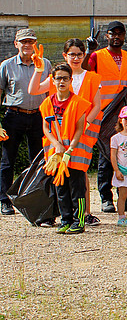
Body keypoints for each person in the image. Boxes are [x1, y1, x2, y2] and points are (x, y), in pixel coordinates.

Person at [28, 39, 102, 226]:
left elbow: (97, 105)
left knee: (79, 173)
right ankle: (64, 216)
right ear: (65, 55)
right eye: (72, 54)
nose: (75, 58)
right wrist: (38, 71)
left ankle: (83, 215)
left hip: (81, 132)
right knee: (60, 176)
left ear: (84, 55)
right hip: (58, 136)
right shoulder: (58, 76)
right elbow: (34, 90)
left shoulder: (92, 78)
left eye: (79, 54)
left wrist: (85, 124)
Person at [82, 21, 127, 213]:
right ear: (106, 36)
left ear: (124, 36)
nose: (116, 36)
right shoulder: (97, 56)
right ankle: (106, 198)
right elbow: (83, 72)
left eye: (120, 33)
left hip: (124, 113)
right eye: (112, 33)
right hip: (104, 112)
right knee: (106, 155)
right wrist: (88, 51)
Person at [0, 28, 51, 216]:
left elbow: (49, 94)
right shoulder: (6, 65)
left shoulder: (45, 64)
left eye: (31, 41)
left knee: (38, 160)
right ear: (16, 44)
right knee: (8, 161)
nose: (27, 45)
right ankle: (4, 200)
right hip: (14, 116)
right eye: (24, 42)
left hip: (38, 116)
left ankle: (35, 199)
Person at [40, 63, 92, 234]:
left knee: (77, 189)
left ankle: (79, 221)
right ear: (52, 81)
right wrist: (57, 145)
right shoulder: (47, 103)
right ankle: (65, 219)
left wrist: (70, 148)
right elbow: (46, 129)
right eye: (58, 78)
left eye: (65, 78)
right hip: (56, 154)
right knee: (61, 188)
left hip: (75, 153)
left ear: (70, 80)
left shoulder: (79, 103)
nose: (61, 81)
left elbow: (79, 128)